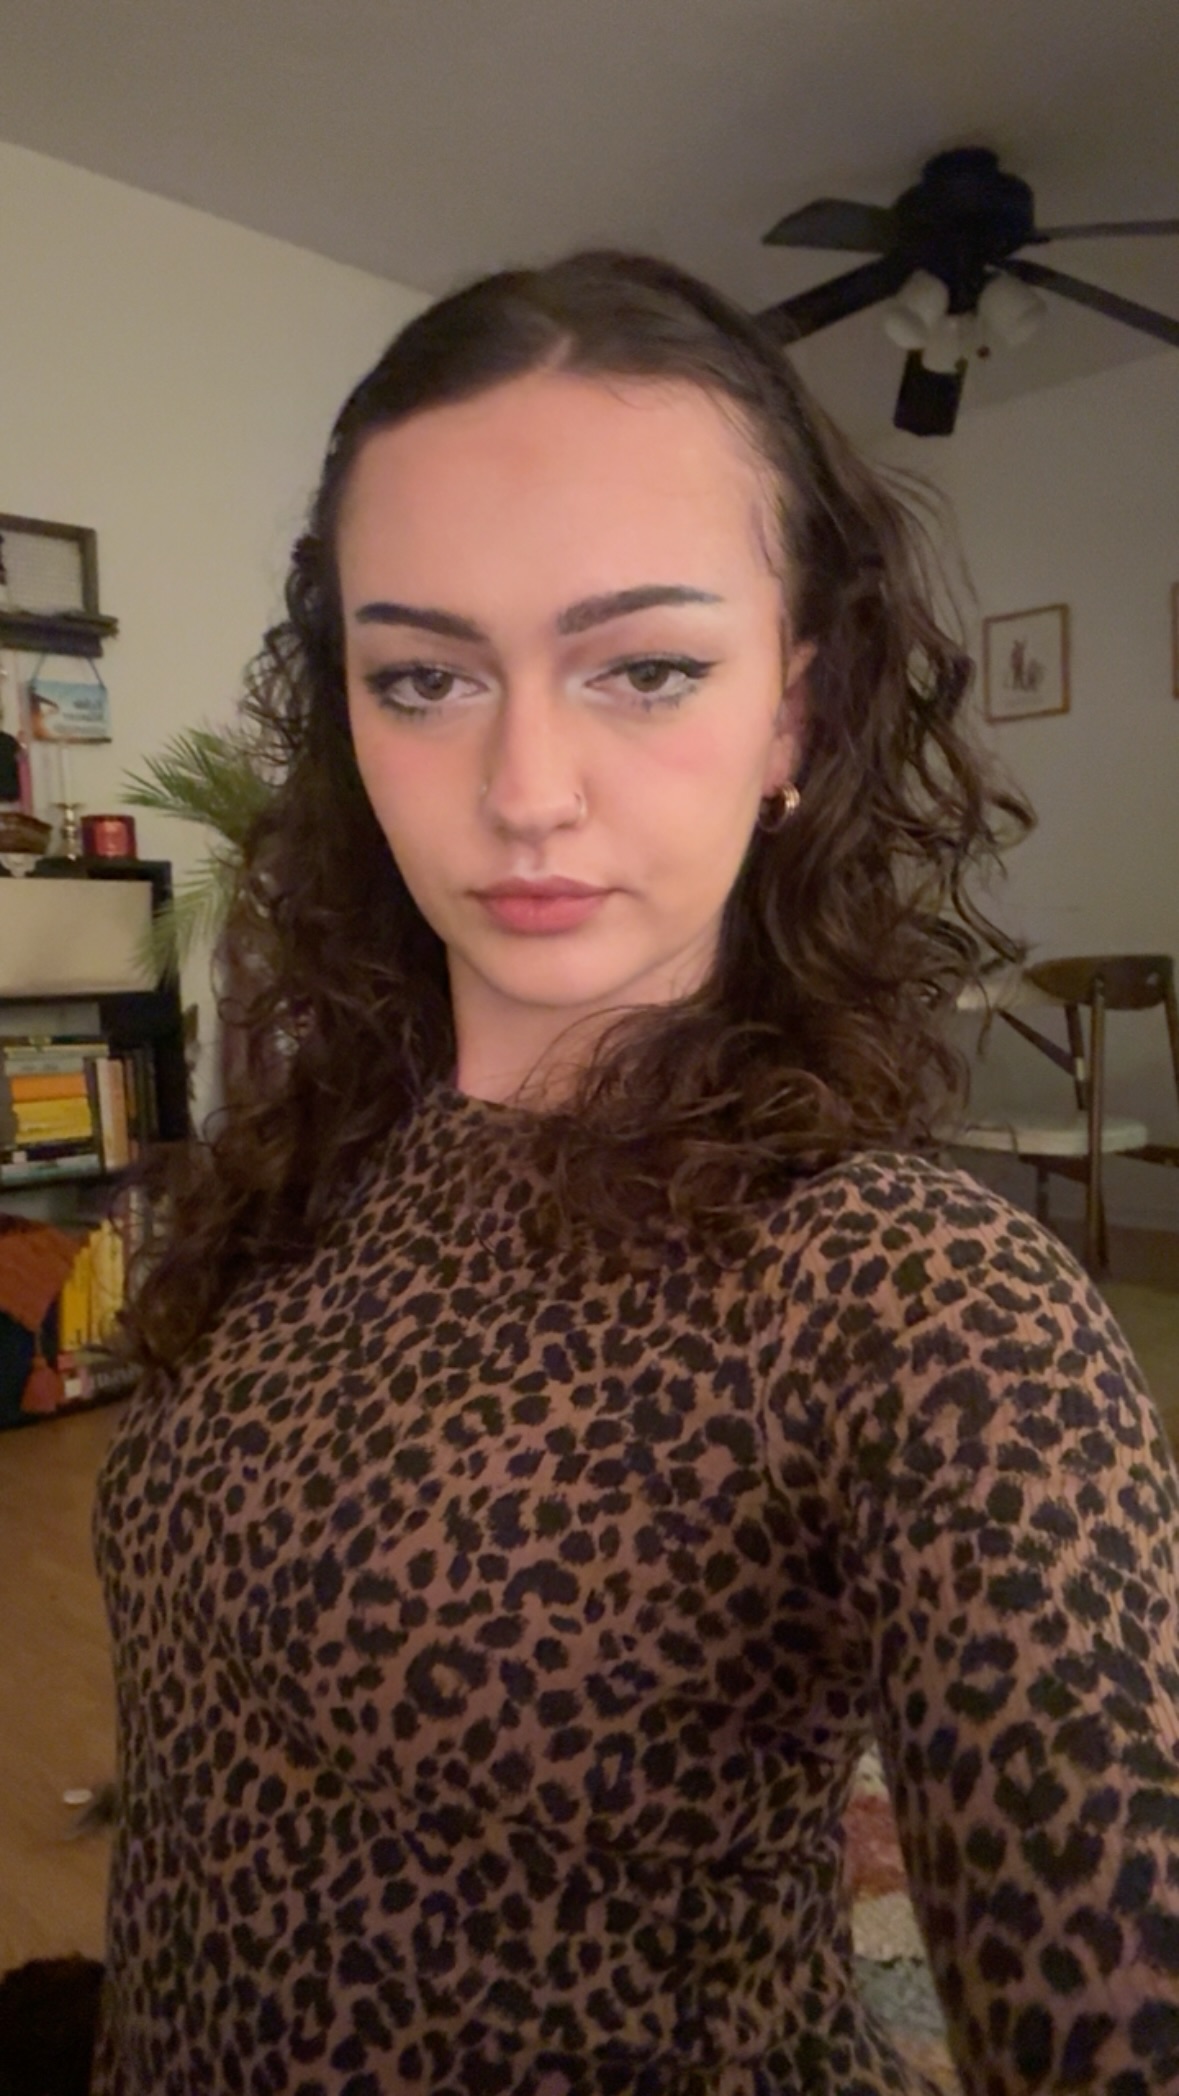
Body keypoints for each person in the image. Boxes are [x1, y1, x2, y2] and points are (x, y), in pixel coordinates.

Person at [92, 252, 1179, 2096]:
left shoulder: (913, 1292)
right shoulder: (310, 1158)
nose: (527, 786)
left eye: (648, 669)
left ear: (795, 714)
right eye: (426, 677)